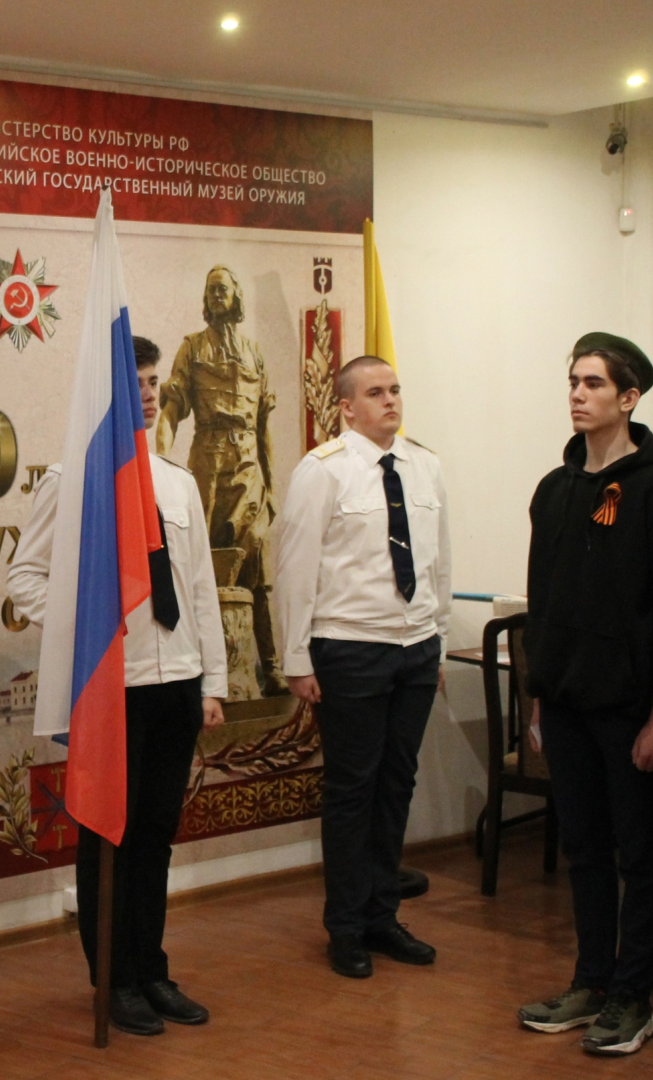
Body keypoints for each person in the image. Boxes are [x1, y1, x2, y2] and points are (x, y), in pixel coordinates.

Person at [8, 336, 229, 1037]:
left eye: (154, 382)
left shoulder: (177, 481)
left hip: (176, 682)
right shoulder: (72, 480)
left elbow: (199, 590)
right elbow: (24, 580)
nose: (149, 395)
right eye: (134, 383)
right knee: (109, 835)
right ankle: (115, 977)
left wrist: (213, 681)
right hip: (113, 687)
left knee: (156, 837)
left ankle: (153, 969)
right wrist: (89, 625)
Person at [516, 333, 653, 1055]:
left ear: (629, 397)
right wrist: (538, 696)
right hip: (567, 701)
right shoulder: (554, 489)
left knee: (639, 854)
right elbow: (543, 601)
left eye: (594, 384)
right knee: (583, 849)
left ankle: (633, 994)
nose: (579, 395)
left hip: (630, 707)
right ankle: (590, 979)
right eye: (574, 382)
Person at [274, 355, 451, 979]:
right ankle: (346, 926)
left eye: (395, 390)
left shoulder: (424, 465)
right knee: (353, 790)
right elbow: (294, 568)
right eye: (376, 393)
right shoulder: (322, 470)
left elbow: (438, 561)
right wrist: (296, 658)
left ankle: (383, 916)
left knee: (397, 784)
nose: (390, 401)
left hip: (415, 646)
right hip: (350, 646)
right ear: (347, 407)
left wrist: (438, 640)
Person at [155, 265, 282, 695]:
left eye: (223, 288)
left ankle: (270, 666)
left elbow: (263, 426)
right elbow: (171, 410)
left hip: (248, 466)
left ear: (236, 295)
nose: (216, 295)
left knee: (256, 563)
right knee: (200, 567)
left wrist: (271, 486)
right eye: (210, 290)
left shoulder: (254, 353)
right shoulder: (192, 348)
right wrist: (159, 468)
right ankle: (203, 671)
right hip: (207, 463)